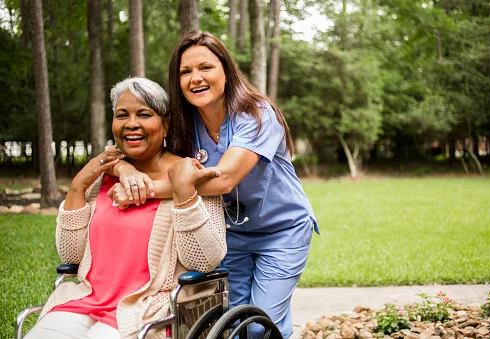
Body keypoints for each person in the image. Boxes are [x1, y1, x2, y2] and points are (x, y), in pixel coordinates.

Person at [109, 31, 319, 339]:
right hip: (229, 234)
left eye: (205, 67)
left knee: (261, 326)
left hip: (281, 231)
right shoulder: (184, 124)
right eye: (185, 71)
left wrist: (146, 190)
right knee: (233, 326)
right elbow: (127, 145)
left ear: (226, 70)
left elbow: (224, 178)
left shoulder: (256, 114)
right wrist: (124, 169)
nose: (195, 78)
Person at [25, 77, 227, 339]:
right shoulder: (101, 178)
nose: (132, 124)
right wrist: (77, 187)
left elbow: (204, 260)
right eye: (122, 115)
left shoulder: (187, 174)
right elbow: (72, 256)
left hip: (149, 308)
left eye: (144, 114)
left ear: (165, 125)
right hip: (87, 300)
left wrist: (185, 194)